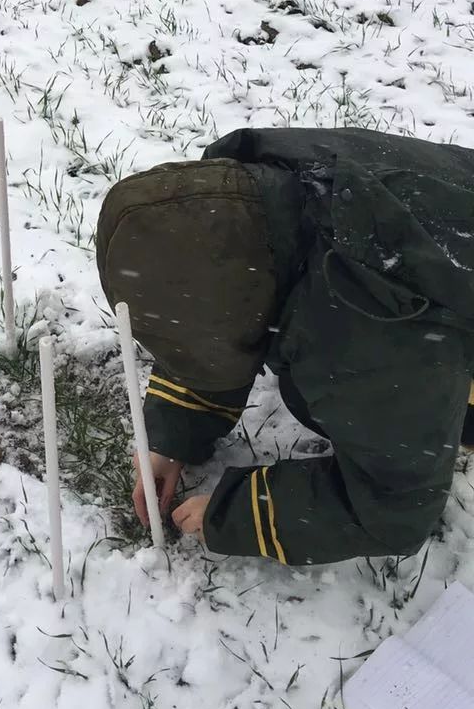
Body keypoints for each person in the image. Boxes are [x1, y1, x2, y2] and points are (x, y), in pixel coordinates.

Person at [95, 127, 474, 566]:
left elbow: (392, 507)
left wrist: (233, 516)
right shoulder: (244, 188)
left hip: (439, 304)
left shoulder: (367, 321)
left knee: (331, 397)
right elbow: (213, 303)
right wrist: (172, 434)